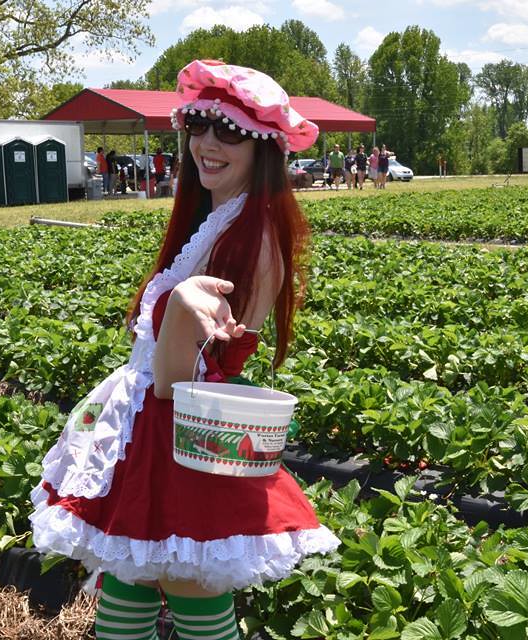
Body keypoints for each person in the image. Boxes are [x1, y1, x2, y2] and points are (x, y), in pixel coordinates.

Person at [30, 59, 340, 640]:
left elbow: (186, 378)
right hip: (152, 429)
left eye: (229, 132)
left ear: (265, 146)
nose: (206, 144)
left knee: (189, 591)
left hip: (184, 434)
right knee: (132, 582)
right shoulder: (222, 219)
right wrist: (174, 312)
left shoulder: (253, 232)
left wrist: (175, 313)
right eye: (198, 127)